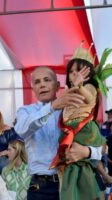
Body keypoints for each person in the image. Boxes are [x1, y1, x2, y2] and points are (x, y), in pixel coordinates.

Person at [14, 66, 102, 200]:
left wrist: (86, 152)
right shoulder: (25, 111)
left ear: (57, 85)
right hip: (41, 187)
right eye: (37, 82)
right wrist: (53, 107)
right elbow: (22, 129)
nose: (42, 84)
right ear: (33, 88)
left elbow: (100, 150)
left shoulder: (74, 111)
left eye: (47, 80)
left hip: (74, 182)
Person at [49, 46, 105, 199]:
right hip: (69, 132)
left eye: (79, 71)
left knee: (82, 166)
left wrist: (79, 85)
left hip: (83, 129)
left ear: (88, 73)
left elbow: (88, 97)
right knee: (71, 165)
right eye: (71, 72)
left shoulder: (89, 87)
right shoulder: (67, 91)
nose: (74, 74)